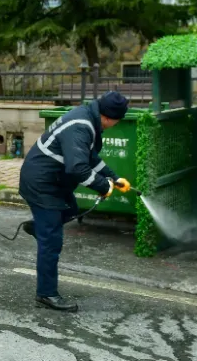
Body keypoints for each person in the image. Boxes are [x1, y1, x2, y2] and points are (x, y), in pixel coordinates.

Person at [18, 91, 132, 312]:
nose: (116, 125)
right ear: (109, 117)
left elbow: (90, 157)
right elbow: (78, 168)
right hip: (42, 184)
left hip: (53, 181)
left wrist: (114, 178)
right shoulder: (81, 126)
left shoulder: (88, 117)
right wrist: (103, 186)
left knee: (71, 208)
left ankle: (39, 227)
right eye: (117, 121)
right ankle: (46, 294)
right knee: (52, 241)